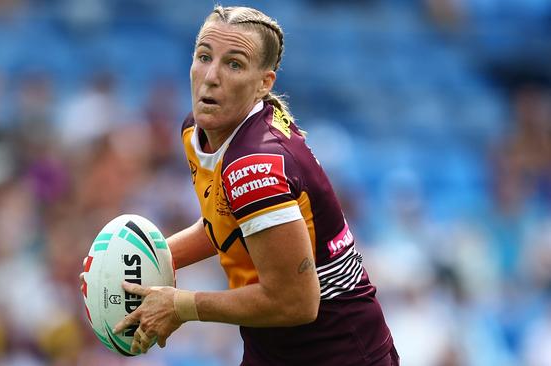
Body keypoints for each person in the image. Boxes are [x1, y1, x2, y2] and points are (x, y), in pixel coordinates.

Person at [83, 5, 399, 365]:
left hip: (337, 354)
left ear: (264, 83)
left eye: (233, 64)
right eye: (204, 57)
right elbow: (229, 225)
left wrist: (180, 305)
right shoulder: (199, 133)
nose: (211, 76)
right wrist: (128, 265)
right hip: (274, 350)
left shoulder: (254, 166)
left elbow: (295, 301)